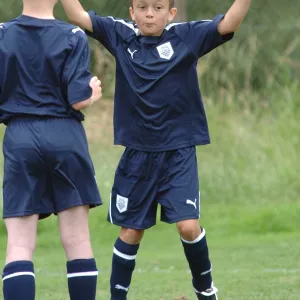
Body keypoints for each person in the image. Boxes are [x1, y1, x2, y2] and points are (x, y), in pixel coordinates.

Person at [60, 0, 252, 299]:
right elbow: (78, 15)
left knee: (188, 227)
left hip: (179, 151)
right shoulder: (120, 34)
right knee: (131, 232)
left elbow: (228, 24)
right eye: (143, 6)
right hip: (137, 154)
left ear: (171, 13)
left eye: (158, 7)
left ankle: (205, 289)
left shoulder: (186, 36)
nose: (150, 13)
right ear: (132, 12)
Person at [0, 0, 103, 299]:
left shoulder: (3, 34)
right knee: (77, 240)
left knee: (19, 244)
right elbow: (76, 98)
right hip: (65, 135)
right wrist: (91, 94)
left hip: (19, 137)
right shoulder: (73, 35)